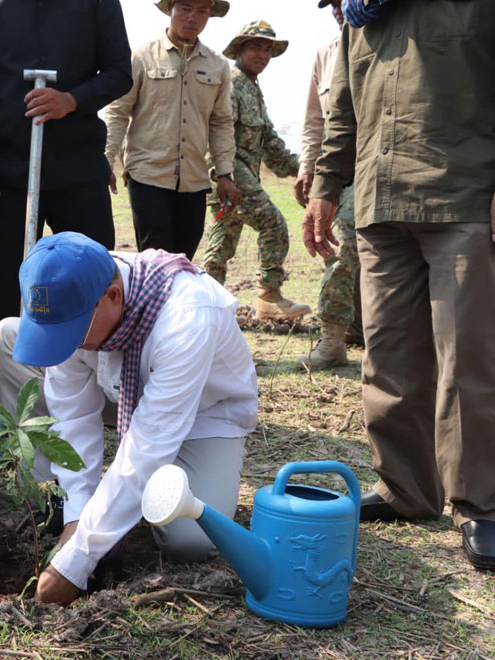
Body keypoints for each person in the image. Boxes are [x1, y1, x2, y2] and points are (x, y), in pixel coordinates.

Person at [303, 1, 495, 571]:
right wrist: (326, 184)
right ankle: (405, 489)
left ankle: (480, 503)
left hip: (461, 198)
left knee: (467, 359)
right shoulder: (364, 12)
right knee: (387, 355)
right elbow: (342, 105)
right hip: (380, 203)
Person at [0, 232, 257, 604]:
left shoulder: (187, 318)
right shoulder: (73, 293)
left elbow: (146, 448)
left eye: (71, 333)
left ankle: (114, 511)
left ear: (113, 297)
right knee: (5, 338)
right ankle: (55, 497)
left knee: (189, 540)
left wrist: (78, 560)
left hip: (202, 414)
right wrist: (78, 518)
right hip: (117, 389)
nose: (67, 343)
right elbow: (72, 417)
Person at [0, 0, 132, 327]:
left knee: (95, 282)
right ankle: (15, 375)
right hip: (2, 174)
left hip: (79, 169)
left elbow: (120, 73)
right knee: (9, 290)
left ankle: (92, 374)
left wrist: (71, 101)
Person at [104, 0, 238, 258]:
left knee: (183, 260)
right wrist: (106, 160)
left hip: (194, 181)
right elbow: (118, 112)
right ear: (170, 9)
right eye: (186, 8)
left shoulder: (217, 65)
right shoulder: (141, 57)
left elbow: (220, 122)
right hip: (148, 176)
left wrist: (225, 174)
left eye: (202, 10)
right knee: (155, 259)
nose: (193, 17)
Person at [201, 21, 310, 321]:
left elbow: (271, 145)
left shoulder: (252, 89)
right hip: (229, 175)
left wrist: (305, 169)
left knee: (222, 244)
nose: (263, 55)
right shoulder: (233, 83)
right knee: (274, 225)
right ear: (239, 50)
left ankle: (207, 307)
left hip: (237, 177)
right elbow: (216, 134)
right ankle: (268, 297)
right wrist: (224, 177)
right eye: (255, 48)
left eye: (267, 50)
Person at [294, 0, 359, 371]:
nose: (339, 7)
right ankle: (334, 338)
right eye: (333, 3)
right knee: (340, 247)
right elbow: (315, 118)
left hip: (383, 168)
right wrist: (309, 168)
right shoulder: (326, 52)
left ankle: (361, 330)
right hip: (339, 173)